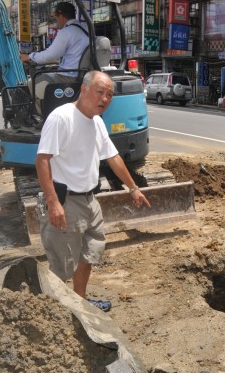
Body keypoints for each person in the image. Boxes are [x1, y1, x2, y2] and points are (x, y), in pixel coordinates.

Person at [35, 70, 150, 311]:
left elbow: (113, 157)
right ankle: (53, 314)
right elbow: (43, 160)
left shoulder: (96, 122)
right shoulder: (61, 117)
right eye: (100, 92)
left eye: (109, 95)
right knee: (61, 265)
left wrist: (133, 189)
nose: (105, 99)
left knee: (88, 255)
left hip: (90, 201)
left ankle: (80, 303)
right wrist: (53, 202)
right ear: (84, 89)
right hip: (67, 202)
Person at [20, 1, 89, 115]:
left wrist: (29, 57)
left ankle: (43, 118)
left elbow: (49, 55)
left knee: (32, 83)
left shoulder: (67, 32)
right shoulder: (86, 30)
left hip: (67, 77)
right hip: (82, 74)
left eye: (56, 17)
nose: (57, 21)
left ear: (61, 15)